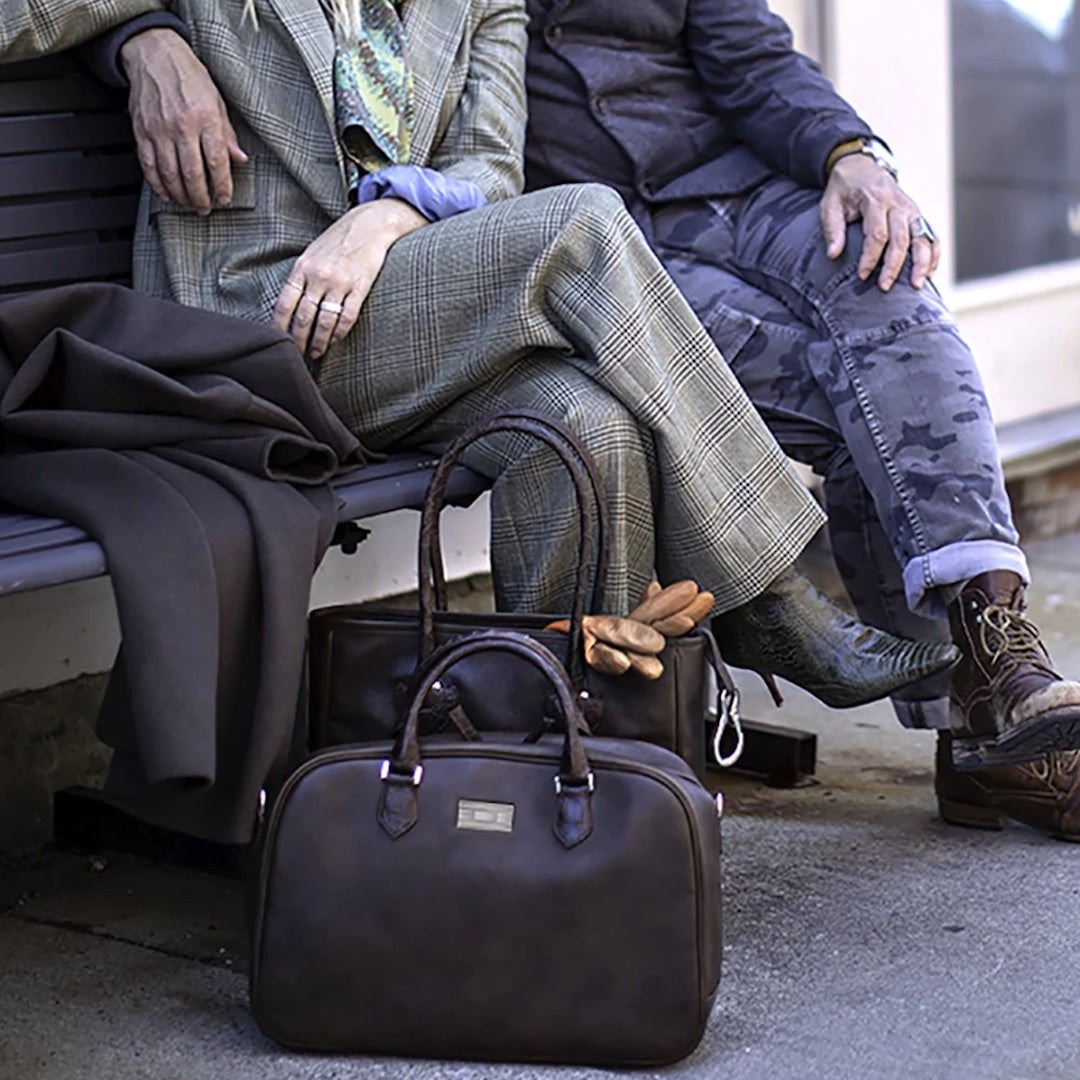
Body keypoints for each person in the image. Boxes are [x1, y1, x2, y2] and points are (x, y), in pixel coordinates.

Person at [0, 1, 1015, 745]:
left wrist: (388, 214)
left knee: (586, 421)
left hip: (398, 308)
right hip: (253, 324)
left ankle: (576, 763)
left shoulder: (484, 3)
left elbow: (490, 167)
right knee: (584, 223)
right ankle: (770, 596)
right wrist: (142, 39)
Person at [521, 0, 1080, 837]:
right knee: (873, 405)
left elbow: (752, 57)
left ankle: (996, 655)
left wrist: (849, 154)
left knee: (884, 275)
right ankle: (979, 738)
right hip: (609, 254)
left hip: (741, 189)